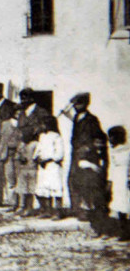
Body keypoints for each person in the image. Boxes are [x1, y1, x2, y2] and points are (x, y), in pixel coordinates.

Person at [61, 92, 107, 221]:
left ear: (86, 104)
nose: (76, 106)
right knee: (73, 181)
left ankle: (88, 211)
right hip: (75, 155)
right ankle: (77, 209)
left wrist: (89, 147)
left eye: (78, 103)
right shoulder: (76, 118)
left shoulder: (92, 120)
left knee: (86, 184)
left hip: (87, 157)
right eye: (75, 104)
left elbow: (100, 138)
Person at [33, 115, 64, 218]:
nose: (41, 126)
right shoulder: (42, 136)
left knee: (55, 188)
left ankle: (57, 212)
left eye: (43, 124)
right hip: (43, 166)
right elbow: (38, 149)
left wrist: (48, 159)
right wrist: (37, 157)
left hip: (52, 166)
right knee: (44, 188)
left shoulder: (56, 137)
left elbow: (59, 154)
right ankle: (47, 210)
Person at [106, 126, 130, 240]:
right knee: (120, 204)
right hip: (118, 179)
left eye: (111, 137)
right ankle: (123, 232)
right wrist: (110, 181)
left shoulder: (127, 150)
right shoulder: (113, 151)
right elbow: (112, 167)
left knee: (127, 203)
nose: (109, 139)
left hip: (126, 178)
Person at [0, 106, 23, 209]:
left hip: (19, 154)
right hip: (8, 154)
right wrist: (0, 154)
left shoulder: (23, 123)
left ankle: (21, 204)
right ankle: (12, 203)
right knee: (10, 178)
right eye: (17, 112)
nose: (19, 114)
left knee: (20, 179)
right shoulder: (5, 124)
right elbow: (2, 140)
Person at [15, 127, 39, 216]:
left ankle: (30, 208)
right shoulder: (22, 145)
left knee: (31, 190)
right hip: (23, 169)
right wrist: (20, 157)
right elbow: (17, 155)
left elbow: (37, 156)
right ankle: (22, 207)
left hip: (32, 169)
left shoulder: (35, 144)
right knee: (23, 190)